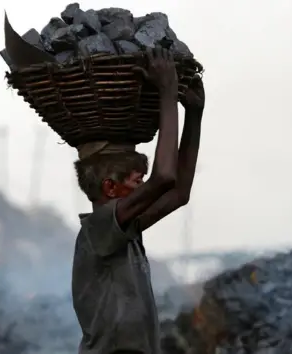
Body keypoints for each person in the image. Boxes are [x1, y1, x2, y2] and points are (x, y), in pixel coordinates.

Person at [71, 47, 205, 354]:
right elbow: (164, 178)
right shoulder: (99, 229)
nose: (144, 186)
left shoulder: (127, 232)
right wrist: (167, 95)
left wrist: (194, 115)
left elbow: (178, 192)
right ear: (111, 188)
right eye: (136, 180)